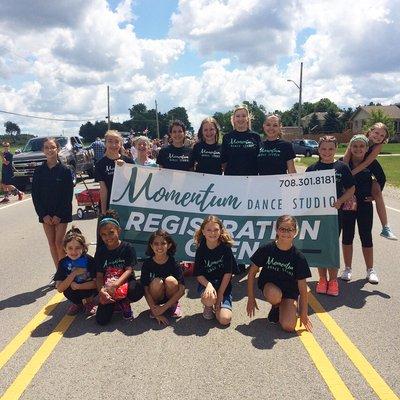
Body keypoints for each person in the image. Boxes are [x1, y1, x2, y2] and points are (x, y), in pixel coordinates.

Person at [306, 136, 355, 296]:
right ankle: (322, 278)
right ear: (318, 150)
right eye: (324, 149)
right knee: (320, 246)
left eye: (331, 149)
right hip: (317, 215)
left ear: (336, 149)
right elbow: (303, 192)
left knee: (332, 246)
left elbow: (351, 189)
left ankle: (333, 280)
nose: (327, 152)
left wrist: (340, 201)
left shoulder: (342, 168)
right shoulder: (312, 169)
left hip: (335, 215)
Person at [246, 215, 313, 332]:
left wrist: (303, 313)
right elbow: (251, 273)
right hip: (271, 288)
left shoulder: (299, 257)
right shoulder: (266, 249)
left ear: (295, 232)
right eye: (282, 229)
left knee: (289, 327)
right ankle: (276, 306)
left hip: (289, 291)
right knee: (274, 294)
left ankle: (289, 305)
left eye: (290, 230)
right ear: (276, 230)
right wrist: (251, 298)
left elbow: (302, 288)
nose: (286, 233)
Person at [340, 135, 386, 284]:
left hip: (365, 204)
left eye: (361, 146)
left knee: (366, 236)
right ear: (350, 147)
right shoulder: (343, 162)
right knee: (348, 236)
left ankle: (370, 270)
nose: (358, 149)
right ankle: (347, 268)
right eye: (355, 146)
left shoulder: (372, 163)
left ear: (367, 148)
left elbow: (382, 179)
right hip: (348, 205)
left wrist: (375, 195)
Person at [343, 123, 397, 240]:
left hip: (365, 166)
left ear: (384, 139)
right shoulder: (358, 139)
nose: (378, 137)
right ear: (370, 131)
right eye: (376, 133)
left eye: (382, 136)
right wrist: (346, 174)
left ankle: (385, 227)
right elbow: (346, 158)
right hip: (351, 165)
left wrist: (351, 174)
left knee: (377, 190)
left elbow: (367, 163)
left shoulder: (378, 146)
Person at [94, 210, 144, 325]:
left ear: (119, 231)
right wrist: (101, 291)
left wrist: (116, 285)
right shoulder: (100, 252)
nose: (108, 237)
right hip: (108, 286)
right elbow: (99, 275)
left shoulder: (127, 247)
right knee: (101, 321)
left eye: (111, 232)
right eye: (104, 235)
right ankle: (115, 302)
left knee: (137, 289)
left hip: (124, 282)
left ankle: (124, 301)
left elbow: (129, 270)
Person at [32, 138, 74, 268]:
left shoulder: (65, 170)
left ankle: (64, 271)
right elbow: (35, 195)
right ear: (43, 150)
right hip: (45, 213)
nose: (49, 150)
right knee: (51, 243)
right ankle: (58, 273)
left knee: (59, 242)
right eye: (46, 148)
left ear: (58, 149)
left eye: (52, 147)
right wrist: (43, 214)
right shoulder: (38, 172)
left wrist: (58, 215)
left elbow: (68, 195)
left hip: (62, 212)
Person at [193, 215, 237, 325]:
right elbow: (199, 275)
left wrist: (221, 293)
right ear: (203, 231)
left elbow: (228, 273)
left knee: (225, 320)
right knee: (209, 298)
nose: (212, 233)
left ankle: (219, 306)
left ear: (221, 230)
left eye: (216, 230)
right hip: (207, 285)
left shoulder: (225, 248)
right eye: (209, 230)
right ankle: (208, 305)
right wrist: (208, 285)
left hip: (223, 286)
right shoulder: (201, 249)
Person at [141, 230, 185, 325]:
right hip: (156, 297)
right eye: (156, 244)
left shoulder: (174, 262)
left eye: (163, 243)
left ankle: (173, 305)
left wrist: (163, 308)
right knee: (157, 282)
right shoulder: (147, 264)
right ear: (151, 246)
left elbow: (182, 289)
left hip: (170, 296)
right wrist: (155, 310)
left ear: (169, 245)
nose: (159, 247)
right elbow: (145, 290)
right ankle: (156, 306)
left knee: (170, 280)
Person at [54, 226, 97, 315]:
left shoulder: (89, 260)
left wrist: (78, 286)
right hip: (73, 289)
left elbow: (97, 284)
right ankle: (77, 303)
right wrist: (74, 273)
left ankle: (89, 302)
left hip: (88, 289)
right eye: (70, 248)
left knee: (89, 288)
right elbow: (60, 288)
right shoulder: (63, 263)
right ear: (65, 249)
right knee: (67, 289)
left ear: (83, 248)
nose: (73, 251)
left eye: (77, 248)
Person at [95, 130, 135, 215]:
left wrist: (124, 168)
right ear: (105, 144)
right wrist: (103, 211)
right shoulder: (100, 164)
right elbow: (103, 189)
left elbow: (135, 183)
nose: (113, 145)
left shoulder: (129, 161)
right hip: (110, 205)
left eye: (117, 142)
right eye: (110, 141)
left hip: (127, 204)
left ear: (120, 144)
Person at [221, 105, 260, 176]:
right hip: (232, 178)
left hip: (251, 178)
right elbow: (224, 160)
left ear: (248, 118)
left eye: (243, 116)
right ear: (234, 119)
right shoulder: (227, 137)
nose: (240, 119)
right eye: (238, 116)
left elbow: (259, 159)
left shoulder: (255, 136)